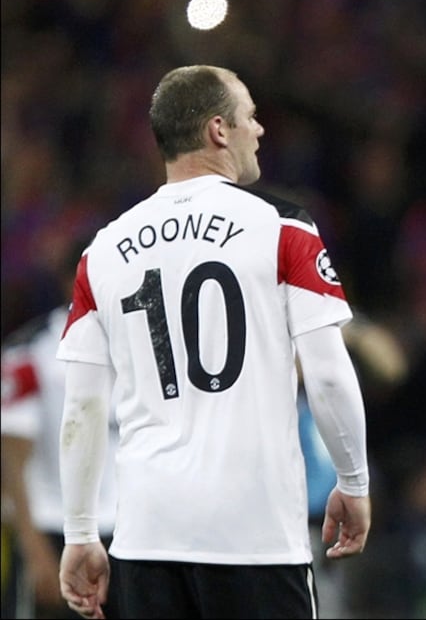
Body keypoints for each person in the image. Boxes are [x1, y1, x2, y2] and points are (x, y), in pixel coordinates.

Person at [56, 65, 372, 620]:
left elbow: (81, 407)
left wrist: (80, 531)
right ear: (219, 131)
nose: (261, 130)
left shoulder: (102, 252)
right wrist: (353, 479)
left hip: (145, 537)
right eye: (251, 117)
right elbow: (325, 372)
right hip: (256, 536)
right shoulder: (283, 226)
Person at [0, 241, 119, 620]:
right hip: (54, 527)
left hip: (128, 529)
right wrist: (34, 549)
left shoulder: (138, 343)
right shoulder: (29, 351)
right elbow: (13, 454)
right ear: (71, 277)